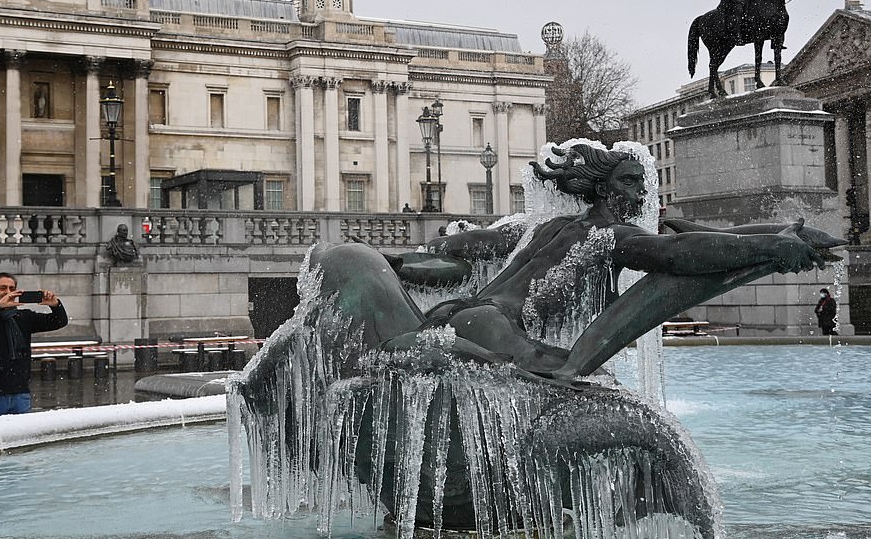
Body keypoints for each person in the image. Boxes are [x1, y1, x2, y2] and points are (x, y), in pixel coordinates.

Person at [305, 143, 827, 383]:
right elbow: (679, 256)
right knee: (584, 390)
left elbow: (464, 248)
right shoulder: (609, 235)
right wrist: (772, 249)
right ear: (602, 187)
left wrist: (403, 261)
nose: (640, 190)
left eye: (640, 183)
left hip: (454, 314)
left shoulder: (545, 228)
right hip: (497, 332)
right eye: (628, 181)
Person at [0, 272, 68, 419]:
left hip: (20, 394)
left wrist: (56, 305)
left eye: (12, 288)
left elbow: (59, 321)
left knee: (22, 441)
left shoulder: (24, 317)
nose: (8, 292)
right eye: (2, 288)